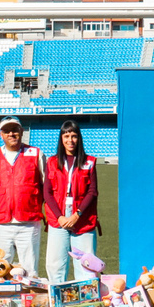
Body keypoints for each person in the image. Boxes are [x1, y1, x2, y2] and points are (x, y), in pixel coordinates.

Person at [0, 114, 45, 275]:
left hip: (29, 222)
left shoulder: (36, 154)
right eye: (7, 131)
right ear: (1, 134)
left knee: (30, 271)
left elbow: (46, 186)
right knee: (0, 270)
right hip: (1, 222)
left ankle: (30, 300)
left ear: (21, 131)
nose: (11, 134)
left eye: (15, 130)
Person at [43, 120, 100, 283]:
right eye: (66, 136)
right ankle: (57, 301)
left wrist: (77, 215)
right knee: (55, 266)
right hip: (57, 220)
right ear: (61, 138)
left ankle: (84, 305)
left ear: (79, 138)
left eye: (74, 136)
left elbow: (92, 191)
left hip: (82, 220)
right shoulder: (52, 162)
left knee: (86, 266)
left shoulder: (89, 161)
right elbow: (47, 193)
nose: (70, 140)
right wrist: (60, 217)